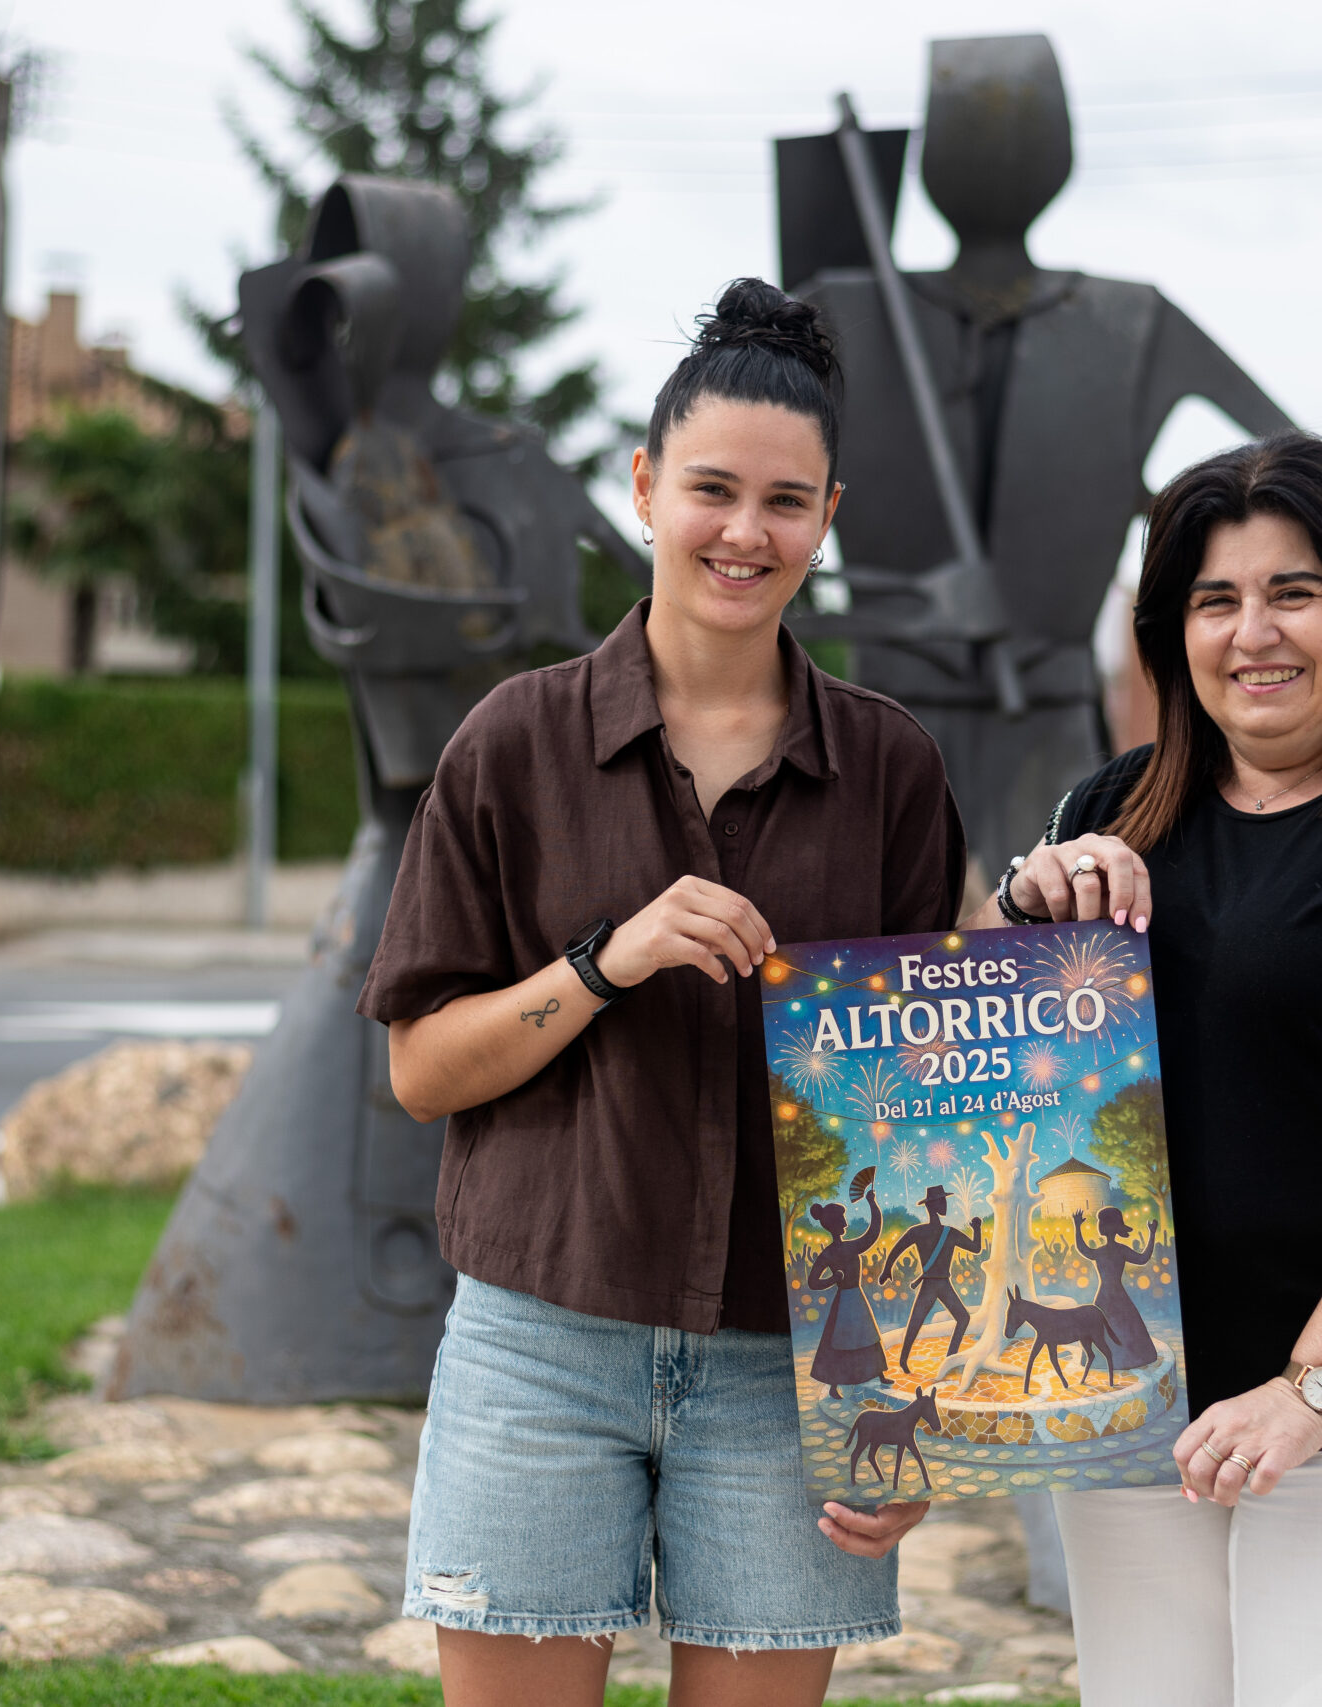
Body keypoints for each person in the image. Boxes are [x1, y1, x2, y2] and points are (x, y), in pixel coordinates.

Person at [359, 279, 967, 1707]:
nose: (745, 532)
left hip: (794, 1362)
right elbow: (422, 1071)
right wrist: (603, 962)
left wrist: (915, 1405)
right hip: (539, 1342)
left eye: (785, 501)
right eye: (711, 489)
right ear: (644, 487)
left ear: (827, 517)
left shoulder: (890, 770)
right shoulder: (513, 745)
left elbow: (936, 1111)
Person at [966, 432, 1322, 1705]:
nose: (1252, 634)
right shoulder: (1106, 812)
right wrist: (1019, 913)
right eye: (1214, 600)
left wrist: (1309, 1391)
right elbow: (994, 1085)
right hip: (1134, 1393)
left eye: (1294, 591)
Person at [872, 1184, 984, 1374]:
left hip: (939, 1284)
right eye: (942, 1201)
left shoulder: (927, 1232)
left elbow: (975, 1249)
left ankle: (947, 1358)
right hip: (934, 1285)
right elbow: (976, 1247)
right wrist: (977, 1229)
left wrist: (887, 1269)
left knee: (952, 1319)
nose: (945, 1204)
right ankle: (913, 1359)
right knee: (919, 1322)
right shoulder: (939, 1232)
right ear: (932, 1206)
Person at [805, 1192, 889, 1398]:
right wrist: (833, 1279)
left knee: (868, 1336)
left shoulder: (851, 1246)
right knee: (840, 1341)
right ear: (834, 1224)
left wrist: (872, 1204)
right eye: (841, 1219)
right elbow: (813, 1282)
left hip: (856, 1298)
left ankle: (880, 1374)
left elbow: (873, 1233)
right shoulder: (829, 1253)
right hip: (844, 1301)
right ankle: (834, 1385)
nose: (845, 1222)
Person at [1069, 1206, 1159, 1377]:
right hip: (1110, 1296)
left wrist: (1078, 1226)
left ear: (1110, 1226)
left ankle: (1117, 1360)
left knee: (1113, 1327)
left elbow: (1142, 1258)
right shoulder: (1110, 1250)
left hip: (1109, 1297)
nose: (1099, 1225)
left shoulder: (1112, 1250)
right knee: (1102, 1327)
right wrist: (1077, 1226)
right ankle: (1108, 1361)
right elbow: (1084, 1249)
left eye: (1101, 1222)